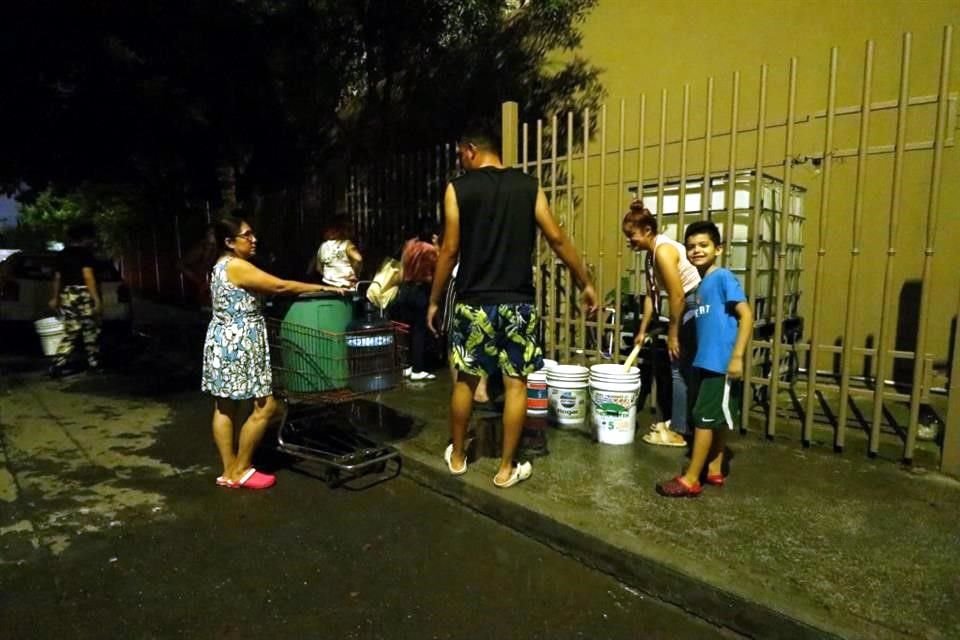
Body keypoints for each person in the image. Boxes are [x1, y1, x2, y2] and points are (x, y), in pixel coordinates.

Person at [427, 124, 598, 489]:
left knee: (465, 381)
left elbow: (450, 250)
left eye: (460, 155)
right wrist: (585, 282)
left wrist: (435, 299)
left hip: (474, 303)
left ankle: (457, 457)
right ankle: (506, 469)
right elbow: (556, 237)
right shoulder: (529, 186)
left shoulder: (457, 189)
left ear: (471, 150)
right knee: (516, 384)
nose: (460, 161)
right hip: (517, 303)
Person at [202, 216, 346, 490]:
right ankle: (240, 469)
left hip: (222, 340)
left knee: (225, 406)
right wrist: (323, 287)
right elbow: (280, 286)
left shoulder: (219, 265)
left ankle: (229, 470)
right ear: (229, 242)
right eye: (247, 235)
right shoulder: (236, 266)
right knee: (266, 406)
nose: (254, 239)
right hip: (242, 341)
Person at [657, 220, 753, 497]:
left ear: (718, 249)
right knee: (713, 417)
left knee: (702, 418)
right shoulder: (700, 287)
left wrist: (737, 356)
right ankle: (714, 469)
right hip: (706, 362)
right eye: (691, 247)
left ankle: (691, 479)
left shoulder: (723, 278)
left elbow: (746, 315)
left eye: (703, 245)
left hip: (720, 364)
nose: (696, 250)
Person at [623, 201, 701, 447]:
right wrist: (643, 330)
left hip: (694, 303)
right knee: (681, 366)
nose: (629, 241)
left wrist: (673, 335)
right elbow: (651, 295)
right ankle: (681, 422)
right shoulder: (651, 255)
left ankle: (679, 430)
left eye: (632, 235)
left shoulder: (664, 251)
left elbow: (677, 296)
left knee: (678, 368)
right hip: (687, 304)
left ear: (647, 230)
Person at [48, 223, 102, 377]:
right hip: (83, 293)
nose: (92, 241)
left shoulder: (62, 254)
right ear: (84, 238)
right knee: (90, 329)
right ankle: (93, 364)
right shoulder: (86, 254)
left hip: (68, 294)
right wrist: (96, 299)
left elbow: (57, 278)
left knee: (71, 330)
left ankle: (57, 364)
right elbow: (88, 276)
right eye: (90, 238)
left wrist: (55, 297)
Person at [396, 220, 439, 381]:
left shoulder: (409, 246)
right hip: (421, 290)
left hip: (405, 289)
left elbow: (401, 270)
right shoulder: (429, 249)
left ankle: (407, 365)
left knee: (408, 329)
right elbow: (437, 269)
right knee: (420, 330)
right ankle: (418, 369)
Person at [308, 215, 362, 288]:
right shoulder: (347, 244)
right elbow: (358, 259)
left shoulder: (323, 246)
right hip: (347, 285)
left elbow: (318, 268)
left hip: (329, 285)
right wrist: (355, 275)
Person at [176, 224, 219, 307]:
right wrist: (198, 280)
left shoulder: (222, 249)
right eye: (211, 233)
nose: (214, 235)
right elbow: (180, 264)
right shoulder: (201, 248)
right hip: (206, 291)